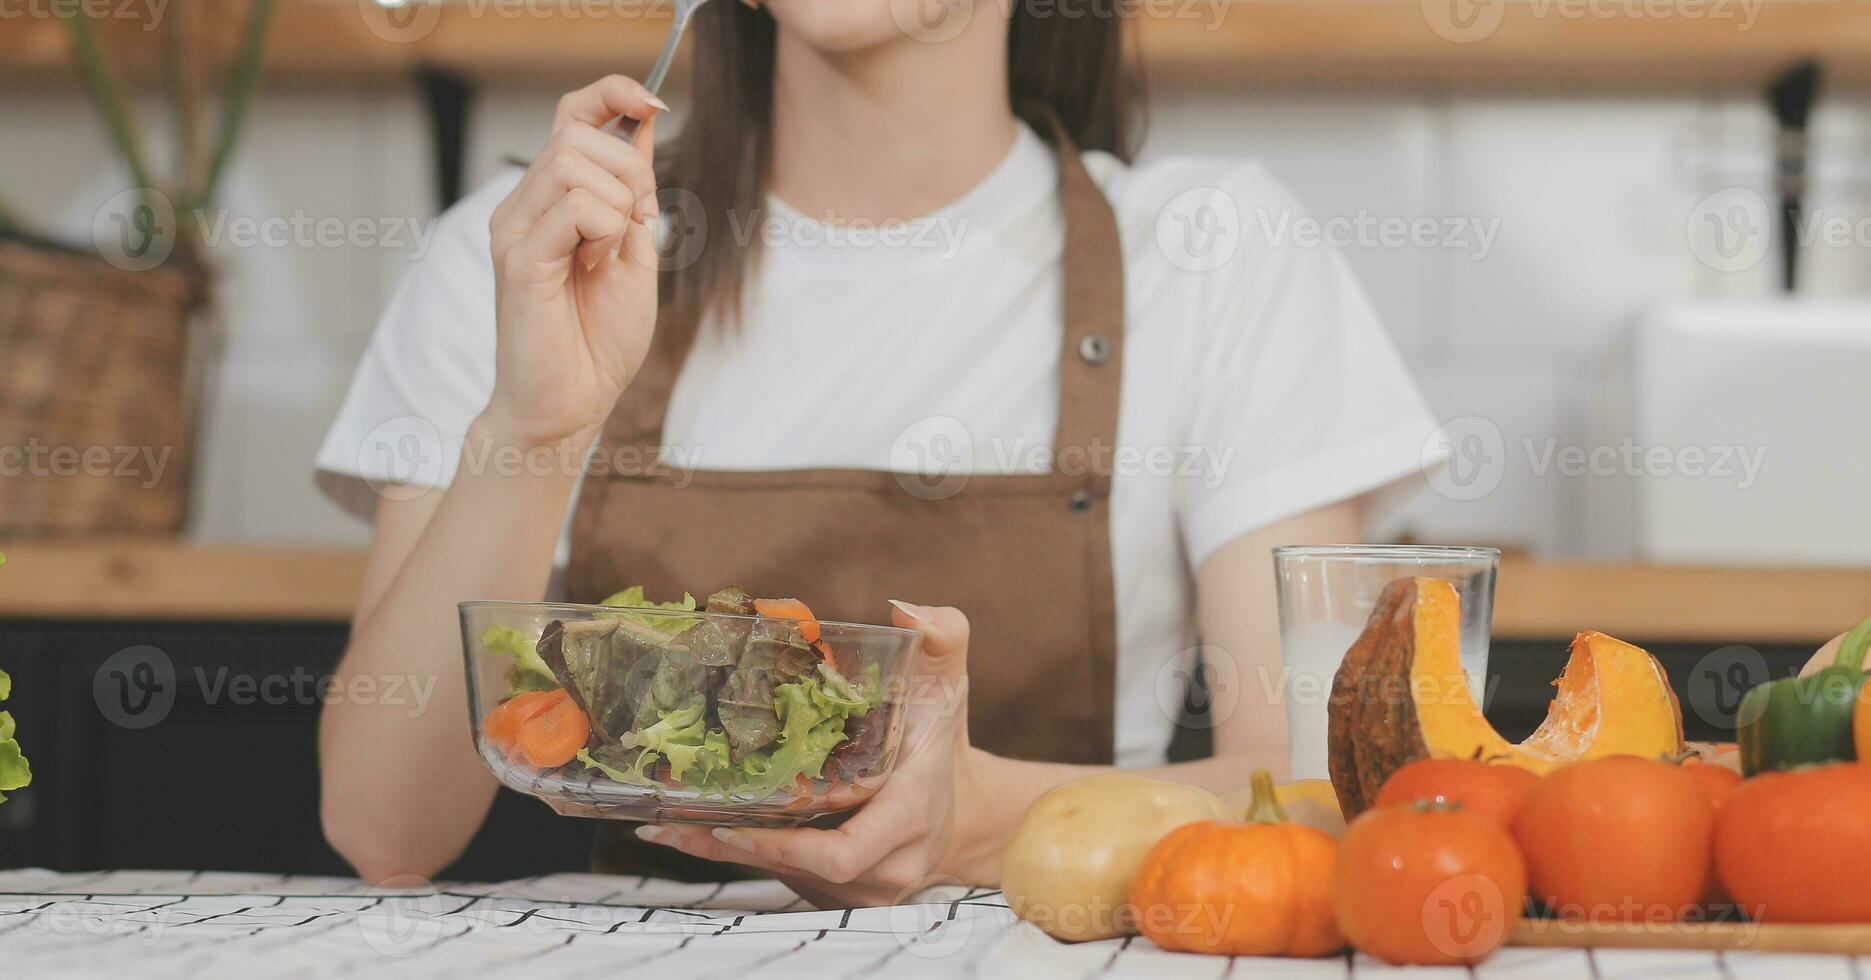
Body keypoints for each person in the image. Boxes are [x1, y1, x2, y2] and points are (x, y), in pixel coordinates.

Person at [313, 0, 1439, 907]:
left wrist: (974, 818)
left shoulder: (1215, 259)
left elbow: (1315, 794)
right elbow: (382, 828)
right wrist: (533, 427)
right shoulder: (526, 256)